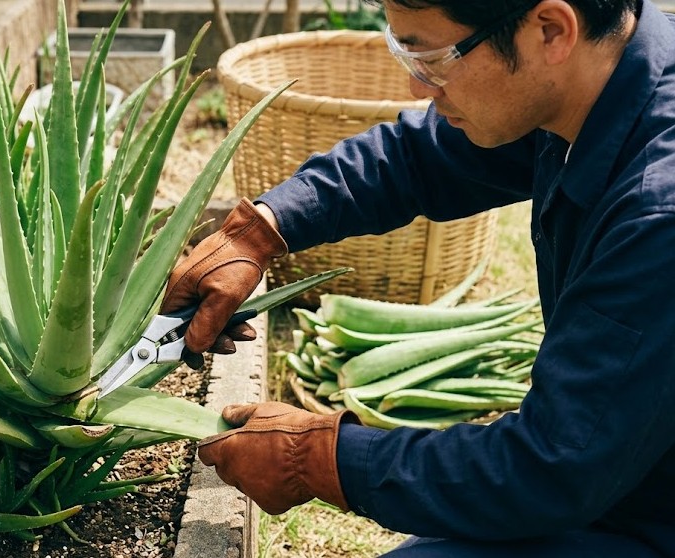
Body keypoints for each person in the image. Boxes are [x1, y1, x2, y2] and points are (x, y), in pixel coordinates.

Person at [160, 0, 675, 555]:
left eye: (433, 58)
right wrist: (262, 228)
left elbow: (552, 467)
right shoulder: (591, 83)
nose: (415, 87)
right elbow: (420, 160)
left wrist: (321, 460)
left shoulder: (656, 216)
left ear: (551, 30)